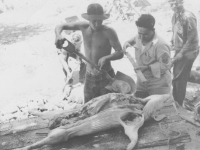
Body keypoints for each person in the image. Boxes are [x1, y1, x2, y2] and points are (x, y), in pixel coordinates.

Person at [55, 3, 124, 103]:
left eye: (100, 21)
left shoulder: (108, 32)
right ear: (88, 19)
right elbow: (60, 26)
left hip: (105, 76)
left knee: (106, 107)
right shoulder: (83, 26)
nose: (97, 24)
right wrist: (58, 35)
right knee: (88, 107)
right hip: (89, 77)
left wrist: (107, 58)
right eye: (94, 21)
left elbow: (120, 52)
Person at [123, 14, 172, 98]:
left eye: (145, 34)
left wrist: (148, 67)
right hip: (142, 82)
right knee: (139, 105)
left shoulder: (161, 45)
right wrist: (126, 43)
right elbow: (133, 40)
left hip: (158, 84)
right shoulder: (138, 36)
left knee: (156, 108)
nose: (141, 38)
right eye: (139, 33)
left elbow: (166, 65)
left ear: (152, 30)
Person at [168, 0, 199, 106]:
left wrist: (181, 53)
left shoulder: (188, 17)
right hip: (180, 50)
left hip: (188, 51)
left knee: (179, 78)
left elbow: (192, 39)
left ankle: (178, 103)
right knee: (180, 73)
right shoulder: (175, 16)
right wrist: (172, 42)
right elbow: (176, 32)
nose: (174, 6)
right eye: (171, 3)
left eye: (177, 3)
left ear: (182, 2)